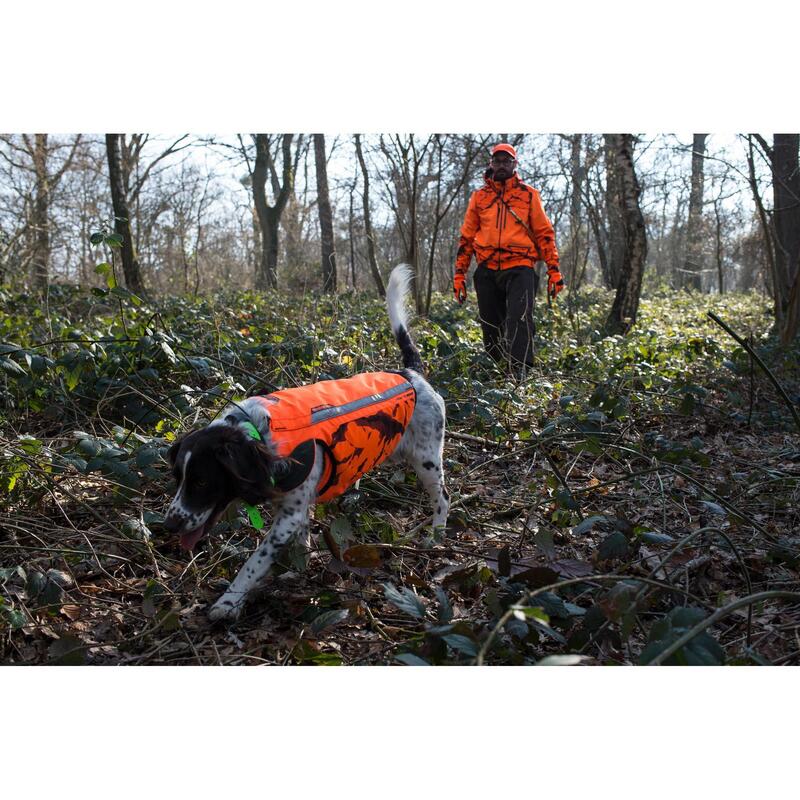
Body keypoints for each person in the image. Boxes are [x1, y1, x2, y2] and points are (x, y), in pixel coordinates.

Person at [453, 142, 564, 374]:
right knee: (490, 324)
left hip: (520, 267)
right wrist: (459, 275)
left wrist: (554, 271)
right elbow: (467, 239)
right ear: (491, 164)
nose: (502, 165)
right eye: (497, 160)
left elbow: (544, 234)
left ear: (515, 164)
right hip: (487, 268)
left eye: (507, 161)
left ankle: (520, 375)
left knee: (520, 320)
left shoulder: (528, 195)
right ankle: (495, 370)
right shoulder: (479, 197)